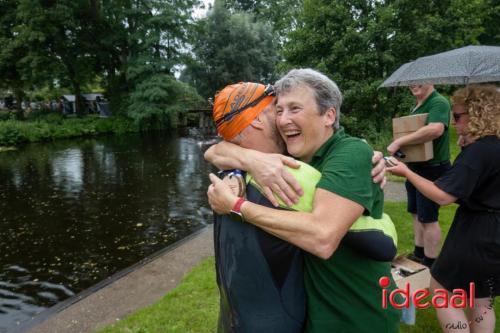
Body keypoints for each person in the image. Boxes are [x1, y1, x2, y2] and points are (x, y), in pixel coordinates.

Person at [208, 70, 401, 333]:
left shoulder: (351, 153)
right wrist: (252, 159)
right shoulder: (295, 157)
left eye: (294, 108)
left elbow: (323, 238)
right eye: (278, 110)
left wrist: (236, 206)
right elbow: (215, 150)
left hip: (357, 317)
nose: (283, 120)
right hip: (317, 315)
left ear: (329, 115)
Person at [387, 85, 500, 333]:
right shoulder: (492, 146)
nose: (454, 122)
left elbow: (443, 195)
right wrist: (466, 146)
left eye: (458, 116)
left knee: (441, 290)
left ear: (478, 114)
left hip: (476, 232)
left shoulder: (480, 151)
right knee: (482, 297)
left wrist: (406, 172)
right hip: (494, 230)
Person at [387, 84, 451, 267]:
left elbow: (436, 129)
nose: (413, 85)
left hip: (432, 169)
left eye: (419, 80)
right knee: (416, 213)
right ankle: (418, 254)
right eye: (411, 82)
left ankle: (430, 263)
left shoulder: (438, 102)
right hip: (415, 168)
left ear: (431, 81)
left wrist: (399, 141)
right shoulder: (417, 105)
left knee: (428, 218)